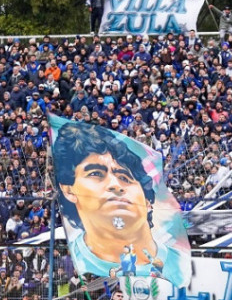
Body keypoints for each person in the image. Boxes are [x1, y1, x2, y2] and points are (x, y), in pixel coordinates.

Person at [52, 121, 188, 286]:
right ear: (68, 190)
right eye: (96, 173)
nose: (115, 185)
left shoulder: (184, 268)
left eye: (124, 177)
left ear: (147, 201)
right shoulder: (72, 263)